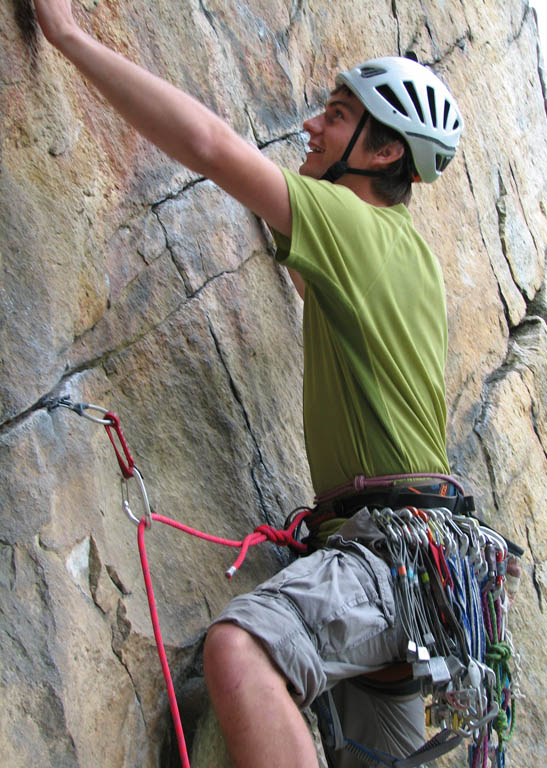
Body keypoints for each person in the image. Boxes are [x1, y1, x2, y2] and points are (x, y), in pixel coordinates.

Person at [31, 3, 463, 767]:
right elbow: (317, 289)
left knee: (240, 652)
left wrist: (68, 35)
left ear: (386, 150)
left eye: (334, 117)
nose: (309, 127)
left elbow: (208, 145)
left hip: (387, 559)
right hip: (429, 578)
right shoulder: (408, 256)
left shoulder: (349, 226)